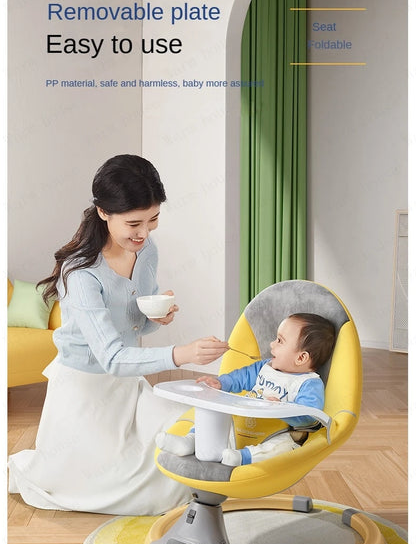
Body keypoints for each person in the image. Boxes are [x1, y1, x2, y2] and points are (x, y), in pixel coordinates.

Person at [8, 154, 228, 514]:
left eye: (153, 219)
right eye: (134, 222)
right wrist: (183, 354)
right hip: (86, 391)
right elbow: (111, 357)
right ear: (103, 212)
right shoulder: (80, 274)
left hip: (129, 384)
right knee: (118, 484)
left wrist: (159, 316)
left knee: (193, 422)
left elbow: (136, 323)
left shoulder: (146, 250)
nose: (144, 232)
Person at [157, 312, 336, 466]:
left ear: (301, 357)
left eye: (280, 341)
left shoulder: (308, 383)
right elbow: (239, 378)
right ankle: (190, 442)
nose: (272, 344)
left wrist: (281, 409)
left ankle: (243, 457)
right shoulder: (265, 366)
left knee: (283, 447)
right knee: (215, 415)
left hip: (274, 434)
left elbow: (309, 416)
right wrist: (221, 384)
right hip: (242, 425)